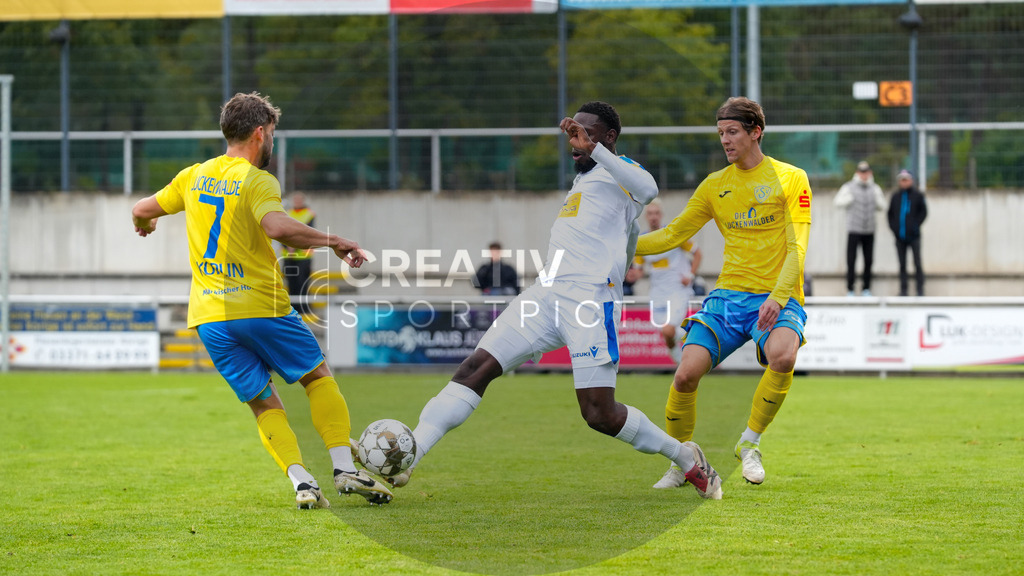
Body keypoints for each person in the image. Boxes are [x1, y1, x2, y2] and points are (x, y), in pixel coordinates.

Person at [383, 101, 723, 500]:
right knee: (474, 369)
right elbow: (627, 238)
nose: (575, 142)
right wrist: (625, 257)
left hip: (589, 302)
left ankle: (685, 457)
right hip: (545, 295)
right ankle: (409, 458)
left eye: (586, 134)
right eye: (572, 134)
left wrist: (595, 152)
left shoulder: (622, 170)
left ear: (608, 138)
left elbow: (649, 190)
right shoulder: (584, 180)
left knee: (599, 414)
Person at [130, 92, 393, 509]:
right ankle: (344, 468)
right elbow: (278, 228)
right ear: (259, 133)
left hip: (211, 317)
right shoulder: (257, 180)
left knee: (262, 403)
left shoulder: (193, 176)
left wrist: (145, 222)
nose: (272, 141)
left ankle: (302, 481)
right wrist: (336, 241)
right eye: (272, 133)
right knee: (317, 377)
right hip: (261, 306)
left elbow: (142, 207)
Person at [636, 96, 812, 489]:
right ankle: (683, 462)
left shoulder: (791, 178)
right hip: (729, 296)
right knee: (685, 375)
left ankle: (749, 443)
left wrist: (779, 298)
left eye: (732, 132)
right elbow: (673, 234)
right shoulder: (715, 185)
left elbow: (798, 248)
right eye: (721, 134)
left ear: (756, 132)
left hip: (777, 294)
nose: (725, 141)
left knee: (783, 355)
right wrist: (622, 247)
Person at [634, 198, 703, 363]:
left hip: (678, 290)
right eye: (650, 213)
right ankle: (686, 346)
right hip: (657, 293)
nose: (653, 217)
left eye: (656, 213)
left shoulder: (673, 234)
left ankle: (682, 364)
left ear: (661, 215)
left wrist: (691, 276)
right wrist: (632, 275)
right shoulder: (641, 241)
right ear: (646, 217)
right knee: (668, 333)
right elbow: (638, 269)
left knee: (668, 330)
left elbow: (697, 253)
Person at [834, 161, 886, 297]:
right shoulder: (848, 187)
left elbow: (882, 206)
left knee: (868, 260)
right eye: (861, 172)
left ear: (870, 173)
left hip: (869, 230)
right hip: (854, 229)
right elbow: (837, 202)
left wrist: (876, 200)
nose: (864, 175)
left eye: (866, 172)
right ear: (857, 173)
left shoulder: (875, 188)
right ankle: (850, 288)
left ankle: (866, 288)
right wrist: (849, 200)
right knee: (851, 260)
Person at [887, 169, 927, 297]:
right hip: (900, 237)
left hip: (914, 236)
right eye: (902, 180)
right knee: (902, 264)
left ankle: (920, 289)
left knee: (917, 262)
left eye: (906, 179)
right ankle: (903, 290)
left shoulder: (918, 195)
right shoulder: (895, 197)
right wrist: (895, 230)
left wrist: (915, 226)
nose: (904, 182)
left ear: (911, 180)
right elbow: (890, 215)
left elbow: (923, 213)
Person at [281, 192, 316, 314]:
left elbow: (308, 234)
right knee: (291, 283)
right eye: (295, 200)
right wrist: (287, 246)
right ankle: (293, 309)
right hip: (288, 255)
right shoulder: (287, 213)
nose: (297, 202)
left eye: (299, 200)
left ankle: (304, 309)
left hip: (303, 256)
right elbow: (281, 232)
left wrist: (293, 247)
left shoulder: (309, 214)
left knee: (303, 283)